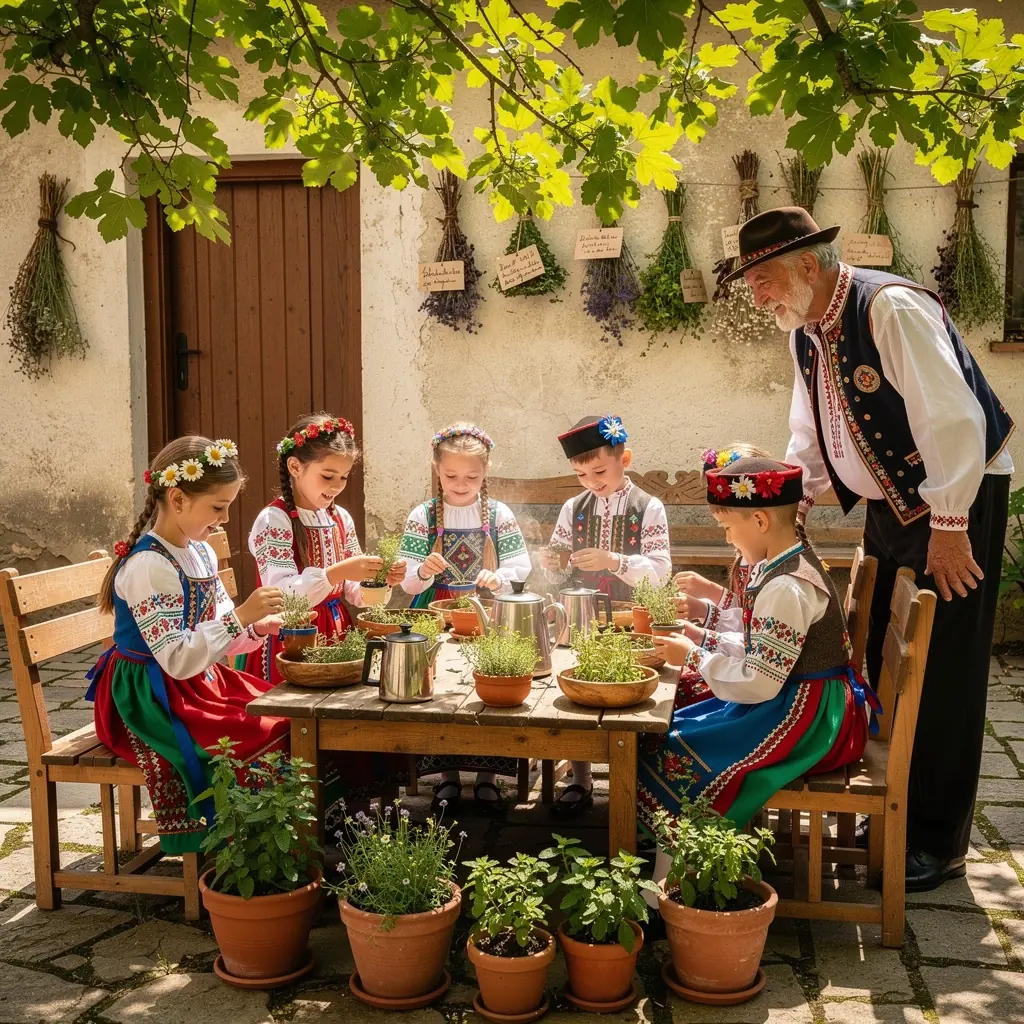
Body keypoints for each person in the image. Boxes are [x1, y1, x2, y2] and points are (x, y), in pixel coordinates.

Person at [731, 206, 1014, 891]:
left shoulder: (889, 307)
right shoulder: (807, 329)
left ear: (805, 265)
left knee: (937, 669)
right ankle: (893, 812)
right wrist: (791, 502)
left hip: (957, 497)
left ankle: (936, 842)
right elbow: (812, 430)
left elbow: (953, 416)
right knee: (886, 663)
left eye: (762, 279)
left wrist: (950, 524)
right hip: (895, 502)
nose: (757, 295)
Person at [638, 457, 877, 834]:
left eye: (728, 527)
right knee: (665, 729)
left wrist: (695, 655)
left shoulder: (786, 586)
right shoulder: (784, 564)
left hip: (809, 719)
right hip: (802, 700)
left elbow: (759, 681)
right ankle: (676, 848)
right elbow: (763, 654)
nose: (727, 538)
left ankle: (675, 859)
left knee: (665, 749)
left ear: (760, 521)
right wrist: (702, 640)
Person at [88, 437, 289, 853]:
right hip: (150, 694)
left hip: (197, 679)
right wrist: (241, 617)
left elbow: (212, 630)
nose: (225, 519)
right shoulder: (149, 566)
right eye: (218, 507)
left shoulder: (199, 552)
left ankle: (269, 836)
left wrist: (254, 629)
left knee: (285, 714)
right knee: (261, 734)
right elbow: (177, 658)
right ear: (177, 499)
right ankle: (246, 844)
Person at [541, 414, 671, 816]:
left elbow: (661, 569)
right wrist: (552, 562)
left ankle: (631, 781)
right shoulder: (573, 508)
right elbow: (559, 566)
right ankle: (579, 778)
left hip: (631, 618)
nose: (591, 481)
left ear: (624, 459)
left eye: (598, 470)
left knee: (627, 693)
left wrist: (613, 560)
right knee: (577, 689)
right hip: (580, 615)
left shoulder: (648, 507)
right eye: (581, 475)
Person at [398, 422, 532, 813]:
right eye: (451, 475)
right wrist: (424, 570)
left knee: (488, 688)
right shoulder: (422, 516)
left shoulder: (499, 513)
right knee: (438, 692)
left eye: (471, 476)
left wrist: (499, 575)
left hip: (486, 611)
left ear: (486, 472)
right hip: (435, 612)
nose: (461, 483)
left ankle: (489, 778)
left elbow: (520, 566)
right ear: (437, 470)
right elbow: (406, 581)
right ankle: (447, 778)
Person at [244, 413, 406, 684]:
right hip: (290, 639)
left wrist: (379, 583)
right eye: (328, 475)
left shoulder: (339, 518)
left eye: (343, 477)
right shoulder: (274, 520)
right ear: (295, 467)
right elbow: (280, 597)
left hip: (336, 632)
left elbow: (355, 593)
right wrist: (335, 573)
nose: (336, 487)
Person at [673, 444, 774, 707]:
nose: (727, 537)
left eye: (727, 525)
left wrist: (705, 622)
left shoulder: (780, 576)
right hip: (750, 671)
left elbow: (754, 639)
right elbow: (749, 615)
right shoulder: (752, 557)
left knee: (675, 693)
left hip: (767, 690)